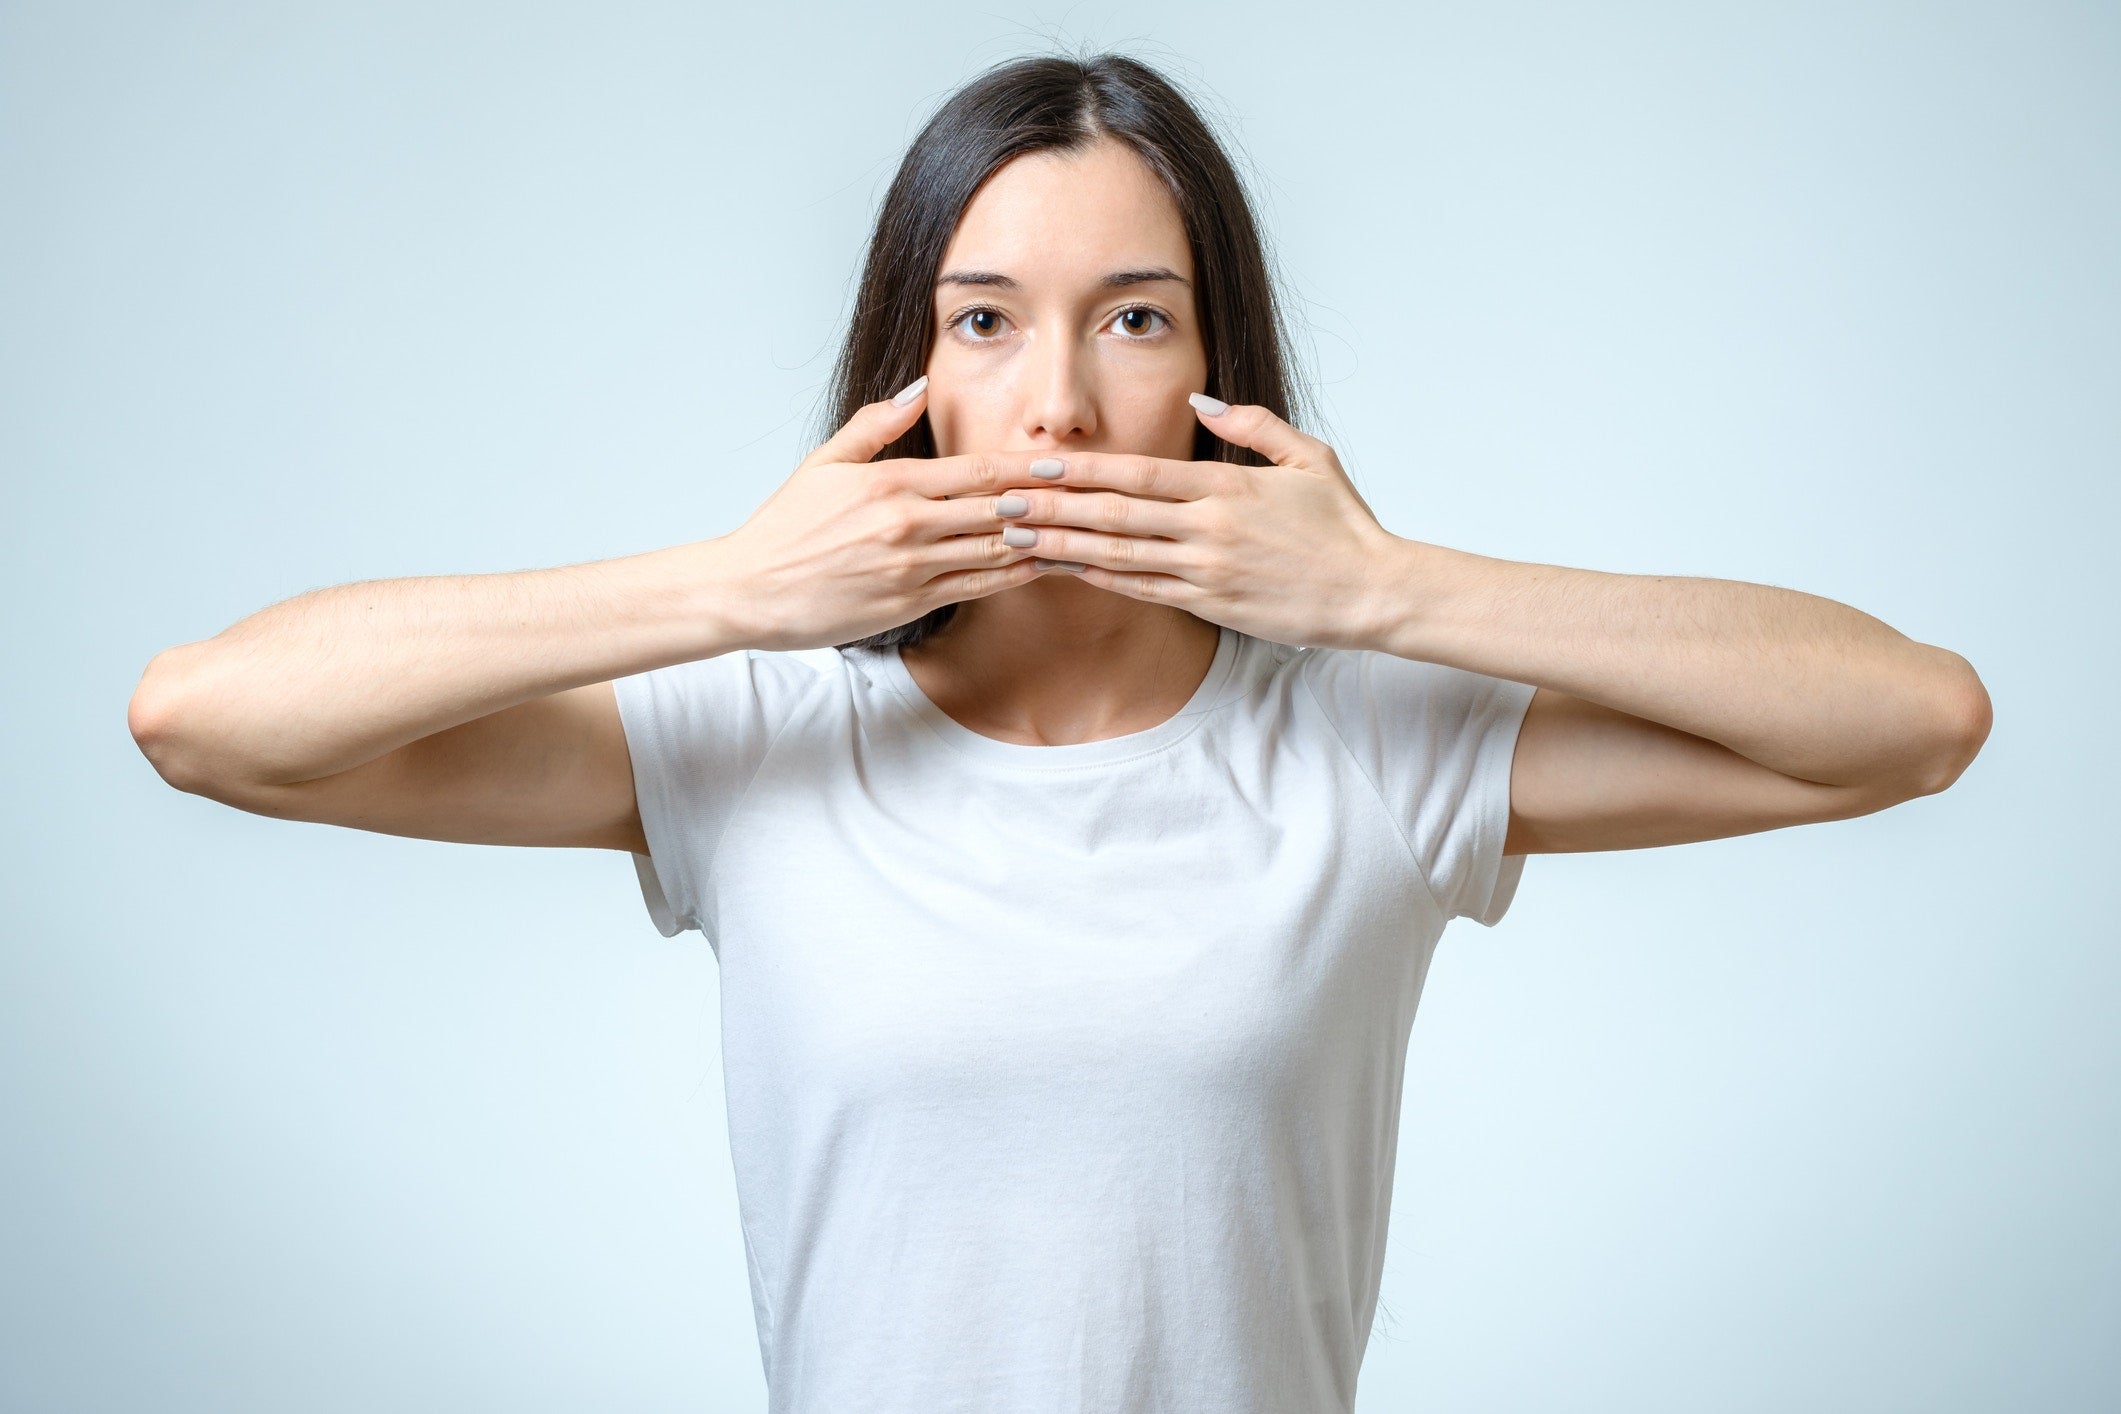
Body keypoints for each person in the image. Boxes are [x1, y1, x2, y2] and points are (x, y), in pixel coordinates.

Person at [127, 50, 1991, 1414]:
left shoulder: (1368, 742)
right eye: (986, 321)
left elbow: (1909, 722)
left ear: (1215, 367)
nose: (1060, 408)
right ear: (910, 369)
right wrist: (729, 585)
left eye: (1134, 317)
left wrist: (1387, 588)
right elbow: (207, 719)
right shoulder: (750, 736)